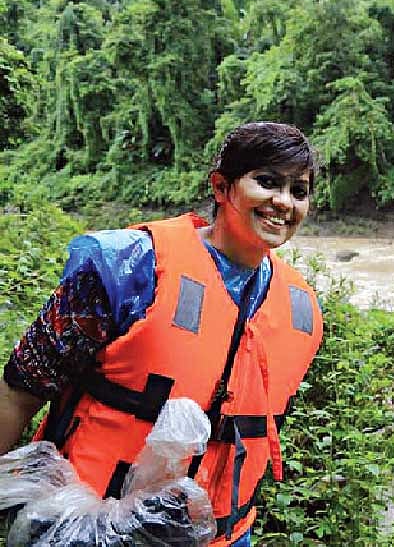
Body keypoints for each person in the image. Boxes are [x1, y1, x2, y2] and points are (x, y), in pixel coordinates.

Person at [0, 122, 324, 546]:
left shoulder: (300, 309)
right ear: (221, 187)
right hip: (84, 525)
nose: (284, 202)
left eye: (299, 191)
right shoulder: (130, 269)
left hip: (221, 535)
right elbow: (19, 391)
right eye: (267, 182)